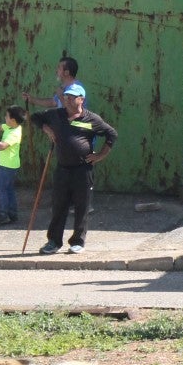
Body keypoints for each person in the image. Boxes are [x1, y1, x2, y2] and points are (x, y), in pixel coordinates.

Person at [30, 83, 116, 254]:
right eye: (66, 97)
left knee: (81, 206)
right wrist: (47, 129)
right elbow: (35, 117)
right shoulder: (57, 115)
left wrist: (100, 155)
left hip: (82, 170)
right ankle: (54, 242)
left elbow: (111, 134)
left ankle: (77, 242)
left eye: (72, 97)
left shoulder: (92, 119)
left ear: (81, 100)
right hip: (62, 169)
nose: (68, 100)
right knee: (58, 206)